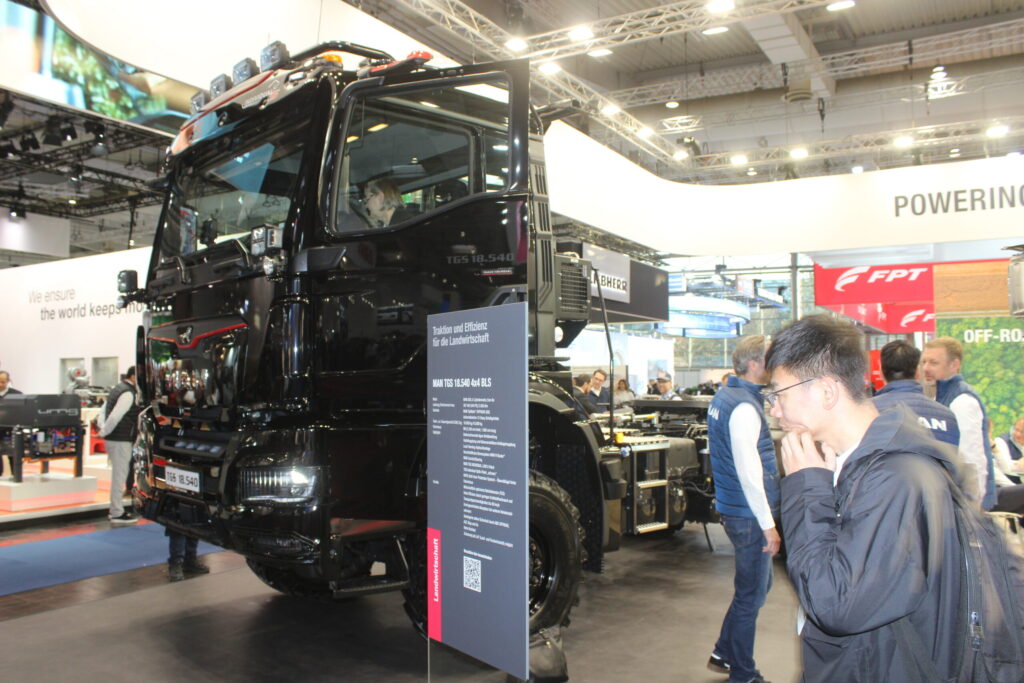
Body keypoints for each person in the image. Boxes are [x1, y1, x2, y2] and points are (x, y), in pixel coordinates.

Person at [765, 315, 962, 682]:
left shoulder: (893, 477)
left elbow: (835, 605)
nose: (775, 410)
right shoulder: (853, 461)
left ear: (826, 391)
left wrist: (807, 490)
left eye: (779, 394)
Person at [706, 335, 780, 683]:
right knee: (751, 595)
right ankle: (743, 672)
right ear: (754, 364)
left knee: (757, 587)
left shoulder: (726, 396)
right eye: (770, 358)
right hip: (748, 515)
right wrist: (768, 524)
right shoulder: (745, 408)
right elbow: (749, 472)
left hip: (736, 509)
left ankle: (724, 650)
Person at [920, 337, 997, 510]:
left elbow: (972, 457)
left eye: (933, 362)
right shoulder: (940, 397)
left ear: (954, 365)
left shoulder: (962, 401)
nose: (926, 368)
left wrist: (973, 506)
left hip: (964, 502)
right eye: (924, 362)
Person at [873, 340, 960, 447]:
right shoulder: (947, 417)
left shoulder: (866, 412)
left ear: (881, 372)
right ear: (918, 372)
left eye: (933, 362)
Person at [99, 367, 140, 525]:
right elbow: (115, 416)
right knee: (119, 477)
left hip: (115, 439)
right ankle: (116, 512)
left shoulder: (118, 388)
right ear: (133, 376)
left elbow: (104, 412)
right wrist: (105, 431)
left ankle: (116, 510)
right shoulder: (128, 393)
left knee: (119, 475)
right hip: (120, 440)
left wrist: (104, 431)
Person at [0, 370, 22, 477]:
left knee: (13, 454)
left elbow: (22, 412)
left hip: (11, 430)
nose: (0, 384)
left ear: (8, 381)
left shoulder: (16, 395)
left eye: (3, 382)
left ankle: (15, 475)